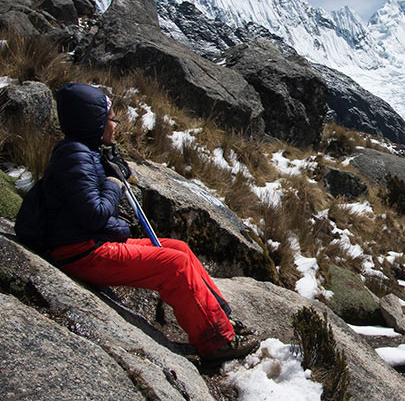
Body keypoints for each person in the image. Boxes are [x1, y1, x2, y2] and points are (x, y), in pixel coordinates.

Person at [41, 82, 257, 362]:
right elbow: (93, 213)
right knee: (174, 266)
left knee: (178, 248)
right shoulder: (76, 156)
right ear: (94, 122)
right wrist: (113, 185)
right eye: (111, 119)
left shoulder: (85, 151)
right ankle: (217, 342)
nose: (115, 125)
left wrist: (112, 161)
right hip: (82, 251)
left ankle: (220, 320)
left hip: (91, 241)